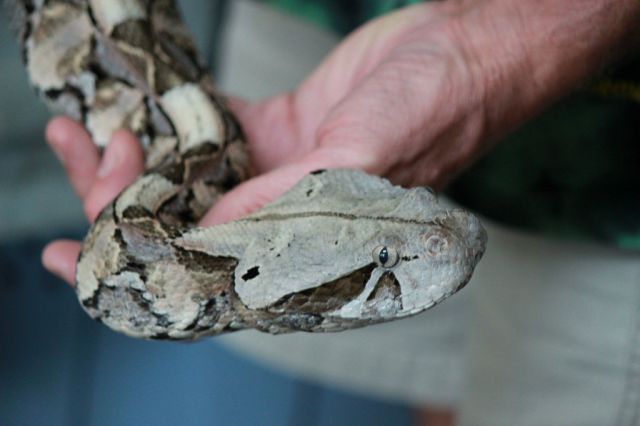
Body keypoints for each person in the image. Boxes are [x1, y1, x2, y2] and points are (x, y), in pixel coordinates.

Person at [40, 1, 640, 425]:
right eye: (382, 261)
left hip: (602, 170)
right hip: (316, 21)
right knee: (433, 372)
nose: (453, 236)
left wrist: (481, 50)